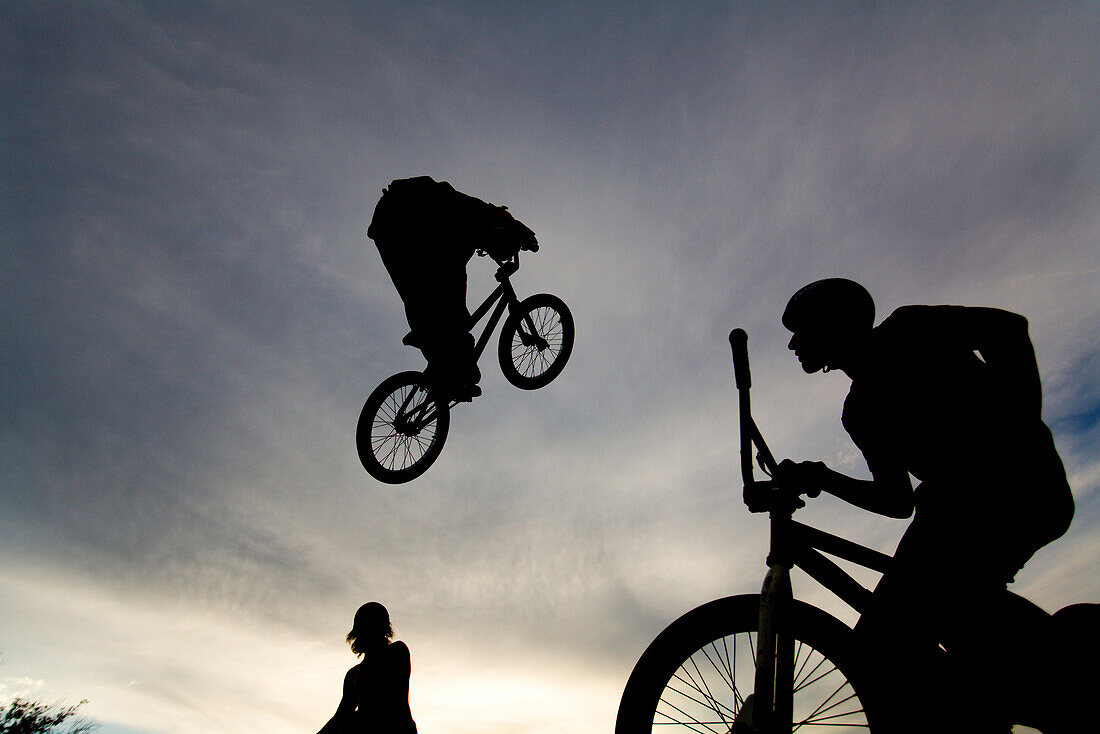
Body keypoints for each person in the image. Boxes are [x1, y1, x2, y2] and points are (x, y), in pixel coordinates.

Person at [775, 278, 1074, 733]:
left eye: (802, 330)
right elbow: (896, 501)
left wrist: (1019, 429)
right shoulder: (859, 411)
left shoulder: (909, 329)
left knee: (884, 640)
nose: (794, 343)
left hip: (1017, 491)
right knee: (921, 633)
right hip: (953, 510)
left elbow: (1008, 329)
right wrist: (824, 478)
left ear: (832, 325)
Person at [368, 176, 537, 400]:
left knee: (419, 298)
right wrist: (527, 237)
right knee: (450, 305)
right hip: (410, 222)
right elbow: (501, 223)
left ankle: (442, 371)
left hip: (387, 227)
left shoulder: (462, 230)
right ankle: (453, 368)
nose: (500, 256)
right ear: (500, 232)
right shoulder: (474, 217)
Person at [318, 602, 417, 734]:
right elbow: (341, 716)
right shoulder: (352, 675)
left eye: (372, 625)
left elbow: (386, 702)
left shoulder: (397, 652)